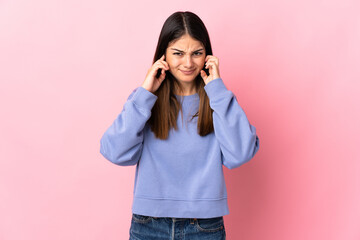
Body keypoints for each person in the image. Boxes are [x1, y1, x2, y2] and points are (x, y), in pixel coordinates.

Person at [100, 11, 260, 240]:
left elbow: (240, 153)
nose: (188, 63)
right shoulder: (144, 101)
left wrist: (218, 90)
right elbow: (115, 152)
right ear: (163, 55)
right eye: (178, 53)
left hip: (205, 227)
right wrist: (145, 93)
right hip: (148, 225)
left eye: (197, 53)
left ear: (208, 55)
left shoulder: (217, 100)